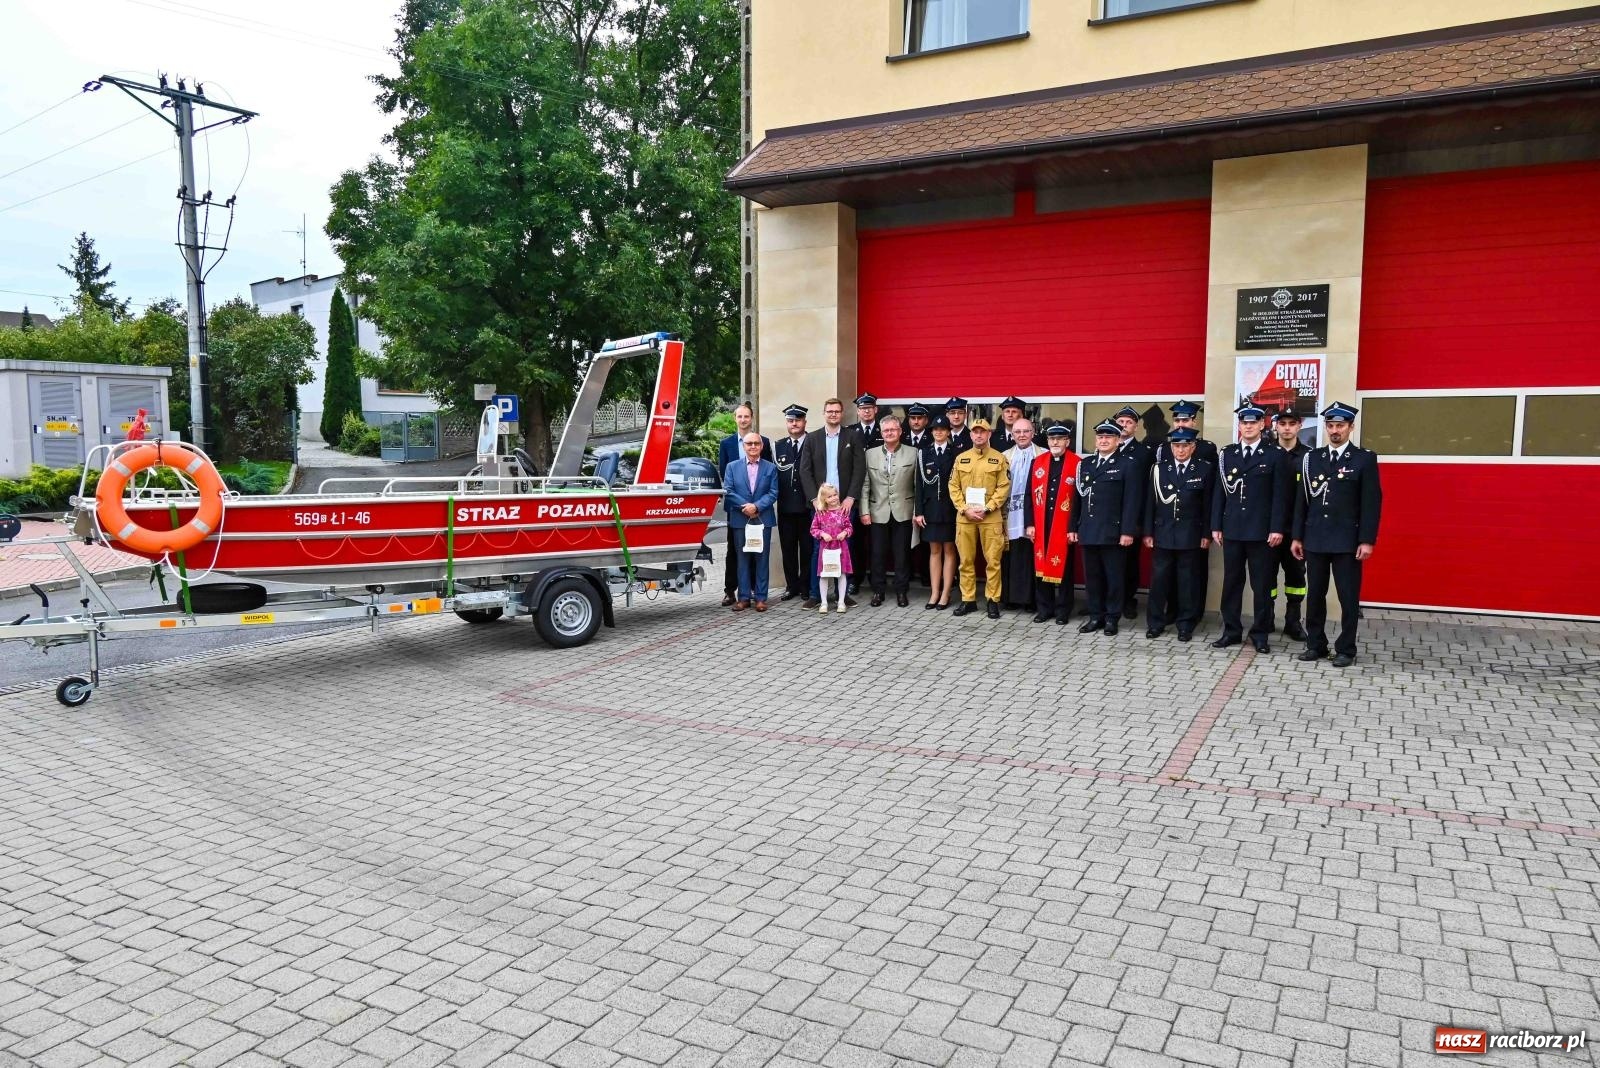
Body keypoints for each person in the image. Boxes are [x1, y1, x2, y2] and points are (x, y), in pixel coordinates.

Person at [1293, 401, 1382, 668]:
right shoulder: (1313, 458)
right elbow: (1302, 501)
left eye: (1340, 426)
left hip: (1347, 541)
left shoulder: (1364, 459)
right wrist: (1297, 536)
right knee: (1316, 595)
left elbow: (1371, 502)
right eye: (1330, 426)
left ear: (1350, 428)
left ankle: (1346, 648)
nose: (1334, 431)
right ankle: (1315, 644)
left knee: (1347, 597)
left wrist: (1367, 540)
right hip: (1316, 539)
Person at [1211, 404, 1292, 652]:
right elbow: (1219, 493)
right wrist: (1216, 525)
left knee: (1262, 585)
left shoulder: (1275, 454)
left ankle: (1260, 635)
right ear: (1240, 426)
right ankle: (1232, 631)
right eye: (1244, 422)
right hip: (1233, 529)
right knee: (1232, 582)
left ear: (1261, 425)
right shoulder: (1228, 454)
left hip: (1261, 532)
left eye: (1253, 422)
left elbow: (1281, 496)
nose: (1248, 426)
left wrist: (1277, 528)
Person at [1069, 419, 1145, 636]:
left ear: (1118, 440)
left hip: (1113, 532)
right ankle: (1095, 616)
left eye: (1108, 437)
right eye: (1100, 437)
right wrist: (1073, 526)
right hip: (1089, 530)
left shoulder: (1128, 464)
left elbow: (1132, 502)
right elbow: (1078, 498)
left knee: (1114, 578)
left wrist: (1128, 531)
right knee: (1092, 578)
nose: (1103, 440)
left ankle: (1112, 618)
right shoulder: (1086, 464)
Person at [1143, 427, 1215, 641]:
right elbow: (1150, 503)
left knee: (1188, 583)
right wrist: (1148, 532)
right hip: (1163, 533)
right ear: (1171, 447)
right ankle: (1155, 623)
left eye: (1185, 445)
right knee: (1159, 582)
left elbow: (1208, 505)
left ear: (1193, 447)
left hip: (1191, 535)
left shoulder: (1204, 469)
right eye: (1176, 445)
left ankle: (1186, 624)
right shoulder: (1158, 469)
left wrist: (1206, 534)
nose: (1180, 450)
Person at [799, 398, 865, 609]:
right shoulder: (813, 438)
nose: (833, 414)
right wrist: (815, 500)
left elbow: (859, 469)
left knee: (844, 548)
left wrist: (851, 497)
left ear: (842, 413)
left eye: (837, 411)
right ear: (824, 413)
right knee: (819, 548)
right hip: (821, 506)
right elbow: (805, 471)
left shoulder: (852, 436)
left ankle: (842, 595)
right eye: (830, 411)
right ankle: (815, 595)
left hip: (844, 504)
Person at [948, 417, 1011, 619]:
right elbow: (953, 486)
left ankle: (993, 600)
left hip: (990, 517)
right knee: (965, 561)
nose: (979, 435)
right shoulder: (961, 458)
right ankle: (968, 600)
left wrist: (989, 507)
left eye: (982, 431)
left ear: (989, 434)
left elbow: (1004, 487)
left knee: (993, 561)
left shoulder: (999, 459)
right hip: (965, 517)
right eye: (975, 431)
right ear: (971, 435)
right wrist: (964, 508)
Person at [861, 416, 921, 607]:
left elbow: (918, 486)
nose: (889, 433)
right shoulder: (869, 454)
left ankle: (901, 591)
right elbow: (865, 485)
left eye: (893, 430)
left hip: (903, 511)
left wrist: (917, 512)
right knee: (877, 554)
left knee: (901, 554)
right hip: (877, 511)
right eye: (886, 430)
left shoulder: (913, 453)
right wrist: (864, 511)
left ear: (900, 431)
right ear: (881, 432)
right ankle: (878, 591)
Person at [717, 402, 772, 607]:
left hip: (759, 509)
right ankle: (732, 591)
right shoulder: (727, 444)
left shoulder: (763, 442)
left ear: (752, 418)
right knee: (736, 551)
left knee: (757, 550)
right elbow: (725, 476)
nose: (743, 420)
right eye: (739, 417)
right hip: (737, 510)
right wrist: (743, 505)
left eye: (746, 416)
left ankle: (756, 593)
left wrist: (756, 505)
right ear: (735, 419)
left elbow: (768, 478)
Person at [1027, 423, 1080, 625]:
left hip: (1064, 524)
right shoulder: (1037, 462)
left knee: (1065, 570)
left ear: (1067, 441)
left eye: (1059, 439)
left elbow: (1079, 500)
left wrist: (1074, 527)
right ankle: (1044, 609)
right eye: (1051, 439)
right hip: (1042, 522)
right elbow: (1028, 495)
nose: (1055, 442)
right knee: (1040, 567)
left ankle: (1063, 611)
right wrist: (1030, 523)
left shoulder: (1077, 463)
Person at [722, 432, 779, 612]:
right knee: (742, 559)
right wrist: (745, 507)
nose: (753, 446)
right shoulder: (732, 467)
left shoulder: (770, 468)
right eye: (749, 444)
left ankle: (761, 598)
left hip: (762, 518)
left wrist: (756, 506)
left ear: (762, 446)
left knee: (762, 559)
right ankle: (744, 598)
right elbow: (728, 491)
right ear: (744, 447)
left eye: (756, 443)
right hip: (741, 519)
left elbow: (773, 492)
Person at [1270, 409, 1311, 640]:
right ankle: (1266, 619)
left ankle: (1293, 622)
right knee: (1266, 578)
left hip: (1296, 531)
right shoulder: (1266, 454)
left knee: (1296, 578)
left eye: (1291, 423)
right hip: (1269, 531)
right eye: (1282, 423)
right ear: (1276, 426)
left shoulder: (1308, 457)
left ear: (1299, 426)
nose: (1286, 427)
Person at [1113, 404, 1152, 621]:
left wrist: (1140, 522)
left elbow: (1146, 490)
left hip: (1131, 518)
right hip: (1107, 518)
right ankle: (1106, 601)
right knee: (1108, 563)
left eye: (1129, 422)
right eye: (1121, 422)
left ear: (1136, 427)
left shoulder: (1144, 453)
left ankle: (1128, 601)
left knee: (1129, 564)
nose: (1124, 425)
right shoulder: (1106, 447)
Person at [917, 415, 960, 610]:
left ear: (948, 432)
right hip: (931, 509)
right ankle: (934, 592)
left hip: (950, 509)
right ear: (931, 432)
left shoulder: (956, 453)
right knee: (934, 550)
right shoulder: (923, 453)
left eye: (942, 429)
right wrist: (919, 511)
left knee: (950, 550)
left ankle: (946, 593)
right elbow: (918, 484)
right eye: (935, 429)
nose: (939, 432)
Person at [1001, 418, 1044, 611]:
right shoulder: (1004, 456)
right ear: (1012, 434)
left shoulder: (1044, 455)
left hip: (1035, 512)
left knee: (1030, 555)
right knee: (1010, 554)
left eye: (1026, 431)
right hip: (1010, 513)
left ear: (1033, 433)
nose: (1022, 435)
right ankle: (1010, 598)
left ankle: (1031, 600)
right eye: (1017, 432)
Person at [773, 403, 814, 602]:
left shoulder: (813, 442)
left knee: (807, 550)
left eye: (798, 420)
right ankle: (792, 586)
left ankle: (806, 586)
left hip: (808, 508)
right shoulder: (778, 446)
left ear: (805, 422)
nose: (794, 423)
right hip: (786, 508)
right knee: (788, 550)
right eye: (791, 420)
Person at [845, 392, 883, 596]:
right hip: (858, 495)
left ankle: (879, 578)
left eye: (870, 407)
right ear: (858, 411)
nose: (866, 411)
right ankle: (854, 579)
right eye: (862, 408)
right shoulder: (850, 432)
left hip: (881, 495)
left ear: (876, 409)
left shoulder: (883, 429)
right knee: (855, 541)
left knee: (879, 542)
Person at [810, 483, 854, 614]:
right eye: (830, 496)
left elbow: (849, 527)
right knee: (824, 574)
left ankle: (841, 601)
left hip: (841, 548)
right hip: (826, 549)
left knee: (841, 574)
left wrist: (845, 533)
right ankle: (823, 603)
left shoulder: (843, 512)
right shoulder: (820, 513)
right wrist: (822, 534)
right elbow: (813, 529)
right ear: (824, 499)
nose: (834, 498)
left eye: (835, 495)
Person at [903, 402, 934, 585]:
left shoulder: (932, 439)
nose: (916, 421)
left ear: (926, 420)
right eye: (913, 418)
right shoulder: (902, 438)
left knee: (926, 540)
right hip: (905, 495)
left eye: (919, 418)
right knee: (905, 540)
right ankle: (908, 575)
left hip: (926, 496)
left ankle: (926, 576)